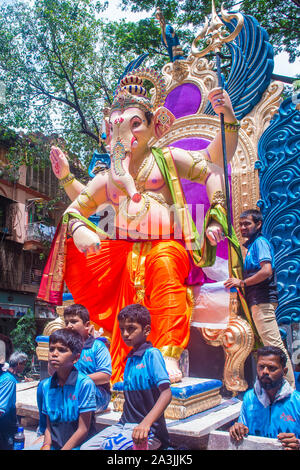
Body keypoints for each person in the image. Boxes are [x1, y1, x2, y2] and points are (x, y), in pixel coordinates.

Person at [39, 66, 242, 384]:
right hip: (121, 246)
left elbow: (214, 163)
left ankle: (167, 353)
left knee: (162, 267)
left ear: (157, 125)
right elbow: (78, 210)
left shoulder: (168, 159)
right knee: (102, 270)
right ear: (109, 131)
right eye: (118, 128)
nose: (127, 137)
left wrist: (226, 117)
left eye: (136, 126)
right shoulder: (108, 177)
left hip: (167, 244)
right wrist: (78, 223)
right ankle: (118, 359)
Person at [81, 304, 172, 450]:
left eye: (131, 328)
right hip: (124, 425)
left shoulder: (152, 355)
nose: (125, 334)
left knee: (111, 448)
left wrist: (145, 424)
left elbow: (166, 393)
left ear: (146, 330)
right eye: (122, 329)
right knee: (87, 448)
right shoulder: (130, 359)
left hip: (149, 431)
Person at [224, 209, 295, 388]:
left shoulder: (261, 243)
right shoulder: (252, 245)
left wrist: (242, 283)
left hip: (262, 301)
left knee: (275, 345)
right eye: (240, 224)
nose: (242, 228)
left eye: (247, 223)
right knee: (269, 344)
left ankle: (290, 388)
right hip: (257, 302)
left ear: (259, 224)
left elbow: (266, 271)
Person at [35, 329, 97, 450]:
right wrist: (46, 444)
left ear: (76, 358)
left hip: (79, 446)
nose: (54, 354)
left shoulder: (84, 384)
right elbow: (49, 425)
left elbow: (83, 429)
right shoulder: (46, 386)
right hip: (55, 445)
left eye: (62, 350)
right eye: (51, 349)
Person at [229, 346, 300, 450]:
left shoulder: (297, 401)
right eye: (261, 367)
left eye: (272, 368)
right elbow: (242, 429)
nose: (265, 372)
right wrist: (238, 429)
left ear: (284, 372)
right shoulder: (249, 398)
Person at [63, 303, 112, 412]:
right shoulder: (65, 348)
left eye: (74, 321)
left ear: (87, 325)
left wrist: (76, 380)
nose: (69, 325)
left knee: (81, 389)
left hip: (97, 393)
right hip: (72, 390)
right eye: (67, 323)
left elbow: (105, 376)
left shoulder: (97, 347)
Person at [0, 351, 28, 449]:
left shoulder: (6, 376)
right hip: (5, 429)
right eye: (24, 364)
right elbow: (1, 408)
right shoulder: (10, 381)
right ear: (19, 363)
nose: (24, 367)